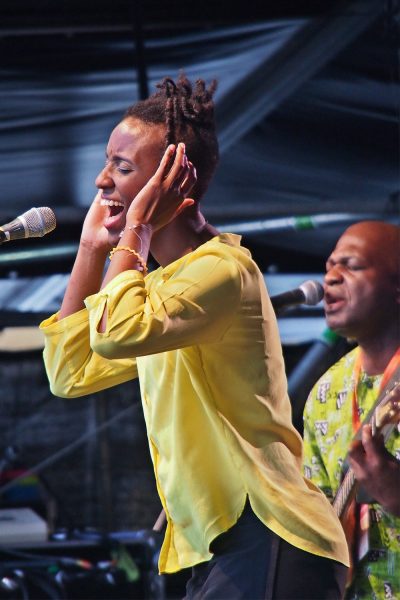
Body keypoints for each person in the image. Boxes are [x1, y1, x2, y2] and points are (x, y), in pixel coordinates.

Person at [40, 74, 348, 599]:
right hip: (221, 543)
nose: (100, 182)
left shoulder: (222, 270)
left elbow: (115, 335)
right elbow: (70, 373)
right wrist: (92, 251)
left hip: (266, 528)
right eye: (107, 162)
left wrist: (132, 232)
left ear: (173, 180)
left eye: (121, 166)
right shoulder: (152, 285)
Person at [303, 221, 400, 599]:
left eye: (352, 266)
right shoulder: (326, 391)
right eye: (329, 267)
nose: (331, 278)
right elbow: (318, 510)